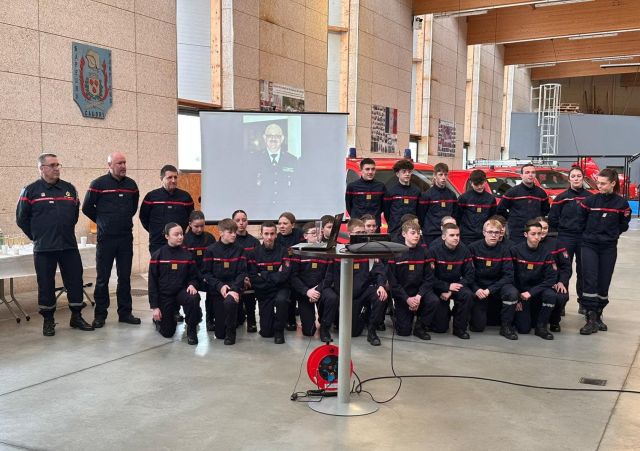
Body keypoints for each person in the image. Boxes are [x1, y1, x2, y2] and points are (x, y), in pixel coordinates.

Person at [17, 153, 94, 336]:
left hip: (68, 246)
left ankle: (76, 316)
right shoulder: (30, 190)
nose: (56, 168)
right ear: (41, 168)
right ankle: (48, 321)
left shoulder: (69, 189)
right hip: (44, 248)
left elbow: (74, 215)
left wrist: (64, 230)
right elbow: (21, 219)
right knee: (46, 284)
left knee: (75, 281)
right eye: (52, 165)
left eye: (58, 164)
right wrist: (37, 236)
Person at [82, 152, 140, 328]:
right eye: (119, 163)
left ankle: (125, 313)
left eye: (124, 162)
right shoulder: (98, 184)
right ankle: (100, 315)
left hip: (124, 238)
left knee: (125, 277)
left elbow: (133, 207)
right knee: (102, 279)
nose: (123, 166)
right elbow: (86, 207)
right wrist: (102, 221)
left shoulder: (131, 185)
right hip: (106, 239)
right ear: (109, 165)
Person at [576, 168, 631, 335]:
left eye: (602, 183)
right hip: (589, 246)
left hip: (608, 247)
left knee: (604, 281)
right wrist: (590, 235)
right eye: (598, 182)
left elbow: (624, 224)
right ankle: (590, 318)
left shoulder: (621, 204)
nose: (599, 186)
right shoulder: (589, 201)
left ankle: (599, 314)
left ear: (613, 184)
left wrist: (611, 234)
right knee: (590, 280)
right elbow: (580, 221)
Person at [328, 219, 388, 346]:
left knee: (380, 296)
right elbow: (333, 278)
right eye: (357, 232)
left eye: (363, 232)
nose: (361, 235)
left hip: (364, 291)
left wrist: (381, 285)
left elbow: (379, 271)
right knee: (353, 333)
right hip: (346, 293)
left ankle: (372, 331)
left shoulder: (369, 251)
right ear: (349, 234)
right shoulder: (340, 251)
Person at [548, 166, 593, 314]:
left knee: (584, 270)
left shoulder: (590, 197)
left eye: (579, 176)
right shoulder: (561, 198)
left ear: (583, 178)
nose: (576, 179)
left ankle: (583, 303)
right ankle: (561, 302)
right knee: (564, 269)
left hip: (584, 238)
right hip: (565, 237)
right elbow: (553, 218)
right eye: (573, 176)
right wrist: (561, 231)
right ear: (569, 179)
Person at [148, 223, 202, 345]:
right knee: (167, 332)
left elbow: (194, 276)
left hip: (180, 292)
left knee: (194, 297)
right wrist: (155, 307)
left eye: (181, 234)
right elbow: (152, 283)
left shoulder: (187, 255)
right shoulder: (158, 255)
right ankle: (160, 320)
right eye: (176, 234)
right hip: (165, 295)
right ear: (167, 236)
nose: (180, 237)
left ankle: (192, 330)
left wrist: (193, 284)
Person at [387, 221, 439, 340]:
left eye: (418, 233)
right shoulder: (396, 253)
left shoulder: (425, 252)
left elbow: (429, 279)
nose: (417, 236)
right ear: (404, 234)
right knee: (404, 332)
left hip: (420, 293)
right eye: (413, 233)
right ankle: (396, 313)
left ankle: (420, 327)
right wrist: (407, 299)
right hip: (403, 294)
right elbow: (393, 282)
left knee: (433, 301)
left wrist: (418, 297)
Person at [468, 219, 519, 340]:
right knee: (478, 327)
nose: (493, 235)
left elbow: (508, 276)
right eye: (490, 232)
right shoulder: (473, 248)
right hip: (479, 286)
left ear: (501, 233)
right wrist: (476, 289)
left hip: (497, 286)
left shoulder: (505, 250)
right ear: (484, 232)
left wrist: (490, 290)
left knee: (512, 292)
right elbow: (467, 274)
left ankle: (506, 326)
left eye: (497, 232)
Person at [290, 222, 337, 342]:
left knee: (332, 298)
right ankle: (311, 324)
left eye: (319, 233)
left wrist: (317, 290)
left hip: (321, 289)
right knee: (308, 332)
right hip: (304, 292)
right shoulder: (297, 252)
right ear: (305, 236)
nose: (318, 236)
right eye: (313, 233)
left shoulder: (327, 251)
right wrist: (307, 291)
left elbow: (329, 275)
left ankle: (324, 328)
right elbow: (293, 276)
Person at [202, 218, 247, 345]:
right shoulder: (210, 250)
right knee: (219, 334)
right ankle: (237, 317)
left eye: (235, 232)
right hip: (217, 291)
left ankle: (231, 334)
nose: (234, 235)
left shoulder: (240, 250)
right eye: (230, 232)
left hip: (234, 289)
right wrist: (220, 286)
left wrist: (233, 289)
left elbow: (242, 273)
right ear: (221, 232)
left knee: (230, 301)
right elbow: (206, 273)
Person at [511, 220, 557, 340]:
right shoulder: (515, 251)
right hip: (521, 293)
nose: (537, 237)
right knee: (524, 329)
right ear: (526, 234)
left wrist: (532, 292)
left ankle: (541, 327)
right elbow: (510, 276)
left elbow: (551, 278)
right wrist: (517, 298)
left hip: (537, 291)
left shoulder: (546, 253)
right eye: (533, 234)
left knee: (551, 295)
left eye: (539, 234)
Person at [427, 223, 474, 339]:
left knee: (467, 295)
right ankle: (444, 315)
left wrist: (452, 289)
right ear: (444, 237)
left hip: (456, 287)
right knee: (440, 329)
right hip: (438, 288)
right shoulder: (433, 251)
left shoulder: (464, 251)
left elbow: (470, 276)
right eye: (452, 235)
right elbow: (429, 277)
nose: (456, 238)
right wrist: (445, 288)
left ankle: (459, 328)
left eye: (458, 235)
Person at [247, 222, 292, 344]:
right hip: (264, 290)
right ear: (261, 234)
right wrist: (274, 276)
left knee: (281, 300)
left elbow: (285, 274)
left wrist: (264, 274)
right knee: (266, 333)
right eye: (266, 234)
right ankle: (270, 326)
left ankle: (279, 331)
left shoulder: (283, 251)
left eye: (272, 234)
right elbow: (253, 276)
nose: (269, 237)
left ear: (276, 235)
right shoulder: (254, 253)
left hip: (281, 288)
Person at [140, 164, 194, 254]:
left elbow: (191, 219)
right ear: (162, 179)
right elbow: (144, 218)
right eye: (169, 177)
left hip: (179, 243)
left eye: (175, 177)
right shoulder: (151, 197)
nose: (173, 180)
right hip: (157, 243)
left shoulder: (185, 197)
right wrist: (156, 230)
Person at [496, 164, 549, 244]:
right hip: (517, 233)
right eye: (527, 172)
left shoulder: (541, 193)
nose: (530, 175)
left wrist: (537, 220)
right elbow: (500, 209)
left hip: (535, 232)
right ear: (521, 175)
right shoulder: (512, 192)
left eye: (533, 172)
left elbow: (546, 210)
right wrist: (513, 218)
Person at [536, 217, 570, 333]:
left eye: (545, 228)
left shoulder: (557, 244)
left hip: (554, 282)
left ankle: (555, 321)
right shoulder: (527, 243)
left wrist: (561, 282)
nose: (543, 231)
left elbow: (566, 267)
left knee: (561, 296)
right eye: (540, 228)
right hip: (535, 282)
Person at [183, 210, 216, 330]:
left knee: (213, 291)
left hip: (207, 274)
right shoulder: (185, 240)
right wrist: (196, 276)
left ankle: (210, 319)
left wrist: (207, 275)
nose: (200, 229)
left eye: (202, 226)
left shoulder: (210, 238)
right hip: (191, 276)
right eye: (196, 226)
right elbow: (184, 263)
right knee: (190, 295)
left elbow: (214, 259)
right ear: (190, 224)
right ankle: (193, 317)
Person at [232, 209, 261, 333]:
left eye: (244, 220)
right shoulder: (230, 240)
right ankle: (238, 316)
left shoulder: (254, 241)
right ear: (233, 223)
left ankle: (251, 321)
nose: (241, 223)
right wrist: (241, 277)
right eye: (237, 220)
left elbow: (258, 262)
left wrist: (249, 277)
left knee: (250, 296)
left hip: (251, 276)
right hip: (235, 276)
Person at [255, 123, 298, 204]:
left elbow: (297, 187)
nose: (273, 139)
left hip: (286, 208)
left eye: (277, 136)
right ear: (264, 138)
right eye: (270, 135)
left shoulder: (292, 160)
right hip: (260, 210)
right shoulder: (254, 159)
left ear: (282, 138)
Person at [275, 211, 304, 330]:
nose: (281, 226)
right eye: (280, 223)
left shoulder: (300, 234)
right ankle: (289, 319)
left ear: (292, 225)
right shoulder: (277, 238)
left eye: (285, 223)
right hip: (286, 271)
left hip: (300, 269)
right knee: (287, 292)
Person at [418, 163, 459, 246]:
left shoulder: (452, 195)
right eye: (440, 174)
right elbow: (421, 215)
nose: (443, 177)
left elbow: (455, 214)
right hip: (431, 234)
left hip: (448, 233)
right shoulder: (427, 195)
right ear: (434, 176)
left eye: (445, 175)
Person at [456, 169, 497, 245]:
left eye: (481, 184)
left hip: (484, 236)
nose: (479, 187)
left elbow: (493, 218)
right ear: (471, 183)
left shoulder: (491, 199)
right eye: (476, 184)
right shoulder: (464, 198)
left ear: (485, 181)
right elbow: (457, 217)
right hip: (466, 237)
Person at [383, 159, 421, 235]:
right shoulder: (391, 191)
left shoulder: (417, 191)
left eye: (409, 172)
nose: (407, 174)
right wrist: (393, 223)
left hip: (411, 230)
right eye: (404, 171)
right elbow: (386, 212)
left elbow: (419, 212)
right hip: (395, 230)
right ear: (397, 174)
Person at [345, 158, 386, 228]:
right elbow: (349, 206)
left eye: (373, 169)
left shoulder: (381, 187)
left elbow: (383, 207)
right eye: (367, 169)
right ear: (361, 170)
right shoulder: (352, 187)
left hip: (374, 227)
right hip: (357, 227)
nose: (370, 172)